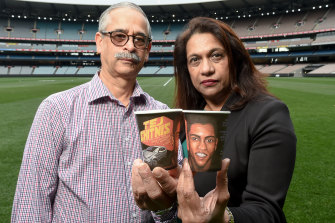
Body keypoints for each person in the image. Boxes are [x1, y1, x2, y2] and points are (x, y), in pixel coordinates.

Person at [11, 2, 180, 222]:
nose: (129, 46)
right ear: (100, 42)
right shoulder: (57, 109)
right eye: (119, 36)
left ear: (147, 50)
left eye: (139, 39)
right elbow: (31, 205)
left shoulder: (162, 115)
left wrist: (163, 208)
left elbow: (170, 210)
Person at [174, 17, 297, 222]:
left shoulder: (268, 114)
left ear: (235, 59)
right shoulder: (183, 117)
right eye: (195, 60)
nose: (206, 69)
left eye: (216, 56)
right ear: (187, 69)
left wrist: (223, 217)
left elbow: (267, 211)